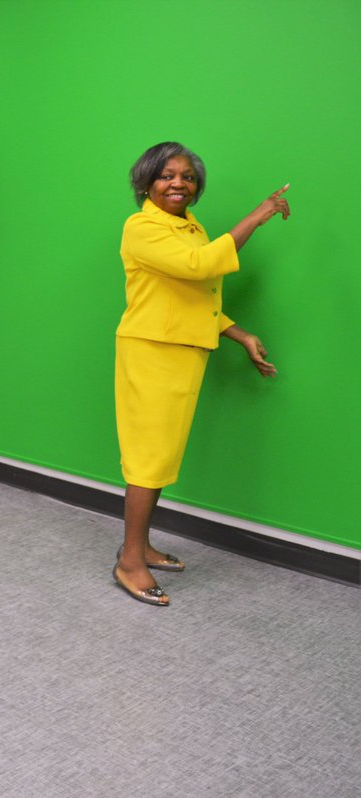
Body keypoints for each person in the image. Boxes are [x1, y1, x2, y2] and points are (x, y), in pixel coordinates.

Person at [113, 142, 290, 606]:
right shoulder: (141, 227)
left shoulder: (189, 226)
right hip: (152, 353)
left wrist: (242, 334)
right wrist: (257, 216)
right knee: (148, 459)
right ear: (146, 182)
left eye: (187, 176)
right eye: (166, 175)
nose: (178, 183)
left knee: (163, 457)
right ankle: (129, 562)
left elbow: (197, 298)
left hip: (184, 352)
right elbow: (200, 267)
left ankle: (141, 546)